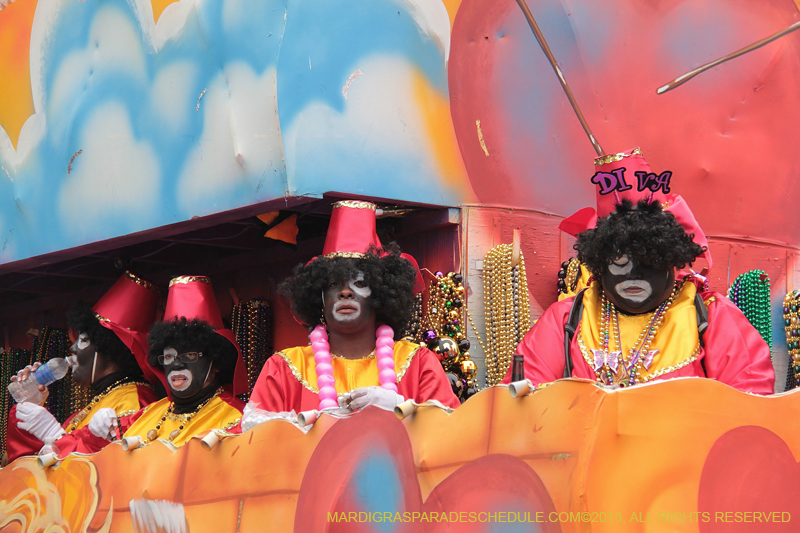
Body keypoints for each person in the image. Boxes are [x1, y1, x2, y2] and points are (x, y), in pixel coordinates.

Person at [506, 148, 775, 394]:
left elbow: (750, 403)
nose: (633, 274)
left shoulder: (711, 316)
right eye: (619, 262)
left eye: (648, 260)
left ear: (671, 261)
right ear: (600, 264)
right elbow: (526, 400)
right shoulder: (567, 317)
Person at [241, 200, 459, 429]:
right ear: (320, 297)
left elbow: (451, 434)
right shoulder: (283, 367)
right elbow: (254, 439)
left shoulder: (418, 362)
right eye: (333, 284)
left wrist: (403, 408)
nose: (345, 292)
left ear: (381, 294)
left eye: (360, 283)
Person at [55, 276, 247, 453]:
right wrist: (96, 434)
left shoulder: (237, 419)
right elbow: (84, 456)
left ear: (215, 362)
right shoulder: (145, 415)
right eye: (169, 356)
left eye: (189, 355)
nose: (176, 365)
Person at [6, 272, 161, 462]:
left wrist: (55, 436)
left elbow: (109, 467)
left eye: (84, 340)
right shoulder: (93, 405)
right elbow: (29, 465)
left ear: (107, 348)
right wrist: (31, 404)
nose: (73, 348)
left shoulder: (133, 400)